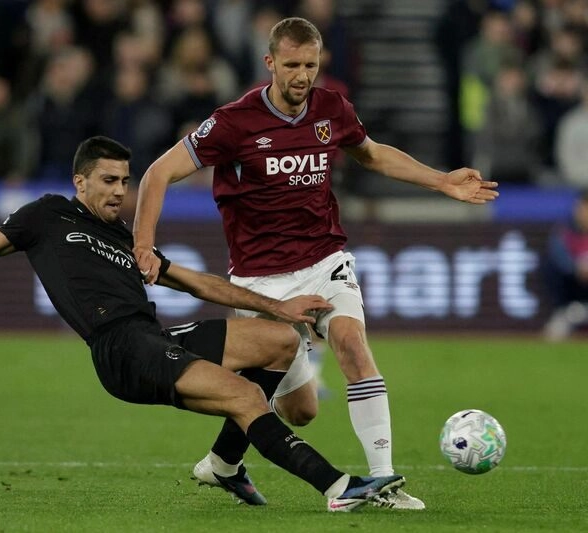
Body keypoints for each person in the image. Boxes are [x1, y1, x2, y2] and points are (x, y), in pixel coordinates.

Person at [0, 136, 405, 512]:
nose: (119, 190)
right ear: (81, 182)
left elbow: (198, 283)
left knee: (280, 344)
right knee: (239, 394)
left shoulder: (130, 240)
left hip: (152, 335)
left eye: (126, 181)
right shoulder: (47, 215)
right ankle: (337, 487)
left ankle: (225, 466)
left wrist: (281, 308)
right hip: (119, 349)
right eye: (108, 180)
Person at [132, 17, 500, 511]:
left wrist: (441, 182)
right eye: (292, 65)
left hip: (325, 260)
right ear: (270, 64)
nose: (303, 75)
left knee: (350, 342)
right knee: (299, 411)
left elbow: (370, 154)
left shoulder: (331, 108)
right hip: (260, 280)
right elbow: (158, 173)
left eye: (311, 64)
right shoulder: (232, 123)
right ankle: (222, 463)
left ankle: (384, 480)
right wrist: (144, 245)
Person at [541, 189, 588, 341]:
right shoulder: (564, 231)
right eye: (584, 207)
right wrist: (577, 267)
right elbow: (559, 258)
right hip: (572, 294)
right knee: (549, 265)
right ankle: (566, 311)